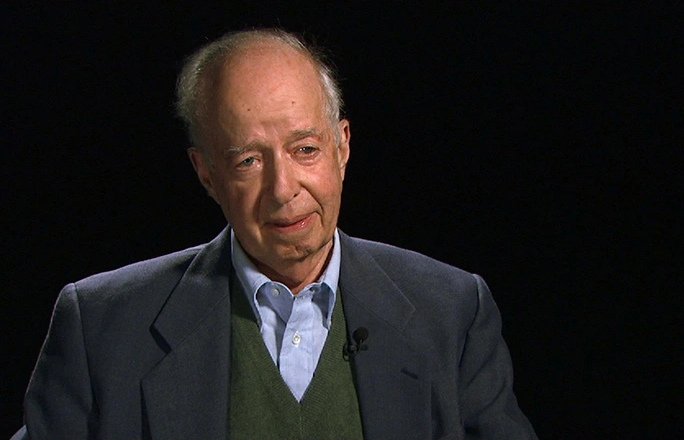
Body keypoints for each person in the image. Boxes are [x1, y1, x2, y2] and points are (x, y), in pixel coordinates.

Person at [15, 28, 537, 440]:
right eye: (248, 160)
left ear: (342, 147)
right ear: (206, 174)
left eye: (305, 149)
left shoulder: (451, 312)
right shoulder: (101, 329)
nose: (283, 188)